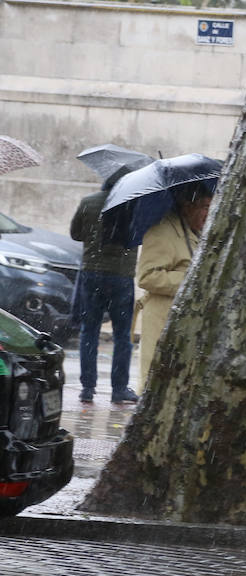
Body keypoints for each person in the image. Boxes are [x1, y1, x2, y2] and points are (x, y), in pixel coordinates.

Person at [68, 166, 140, 404]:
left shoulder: (88, 202)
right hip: (121, 277)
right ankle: (119, 389)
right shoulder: (135, 205)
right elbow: (140, 235)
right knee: (122, 336)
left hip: (92, 274)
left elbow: (75, 235)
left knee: (90, 332)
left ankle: (87, 388)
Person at [137, 185, 214, 388]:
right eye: (205, 207)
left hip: (186, 323)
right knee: (157, 384)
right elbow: (146, 276)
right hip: (163, 321)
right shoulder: (162, 231)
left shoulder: (195, 233)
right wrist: (188, 281)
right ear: (188, 206)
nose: (209, 213)